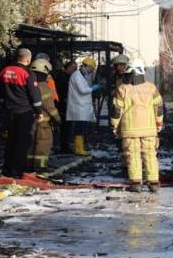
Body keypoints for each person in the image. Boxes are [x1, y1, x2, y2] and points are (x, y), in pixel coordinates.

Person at [111, 58, 163, 193]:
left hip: (129, 130)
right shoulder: (151, 88)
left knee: (132, 155)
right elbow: (159, 107)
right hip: (149, 129)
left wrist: (114, 126)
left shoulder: (123, 88)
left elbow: (117, 110)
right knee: (150, 154)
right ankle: (153, 182)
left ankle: (135, 183)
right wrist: (159, 122)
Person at [0, 48, 42, 179]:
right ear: (28, 59)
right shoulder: (27, 73)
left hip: (8, 112)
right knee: (23, 142)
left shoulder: (4, 71)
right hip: (24, 112)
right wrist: (39, 112)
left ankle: (6, 170)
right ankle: (17, 171)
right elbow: (34, 94)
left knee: (10, 141)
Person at [27, 59, 61, 172]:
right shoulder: (43, 85)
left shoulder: (30, 83)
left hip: (31, 119)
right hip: (44, 121)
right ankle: (40, 166)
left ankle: (29, 164)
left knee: (32, 142)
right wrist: (57, 118)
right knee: (43, 142)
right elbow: (49, 105)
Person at [67, 57, 100, 156]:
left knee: (81, 128)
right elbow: (83, 90)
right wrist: (93, 88)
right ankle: (78, 149)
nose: (91, 72)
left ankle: (80, 147)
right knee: (80, 128)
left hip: (81, 106)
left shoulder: (80, 75)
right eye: (91, 69)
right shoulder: (77, 76)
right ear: (88, 66)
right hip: (79, 107)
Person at [54, 60, 77, 153]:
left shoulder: (67, 77)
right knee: (65, 127)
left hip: (66, 105)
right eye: (74, 68)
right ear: (68, 67)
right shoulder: (63, 77)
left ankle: (65, 146)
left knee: (67, 127)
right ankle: (64, 147)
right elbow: (60, 91)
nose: (75, 71)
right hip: (63, 106)